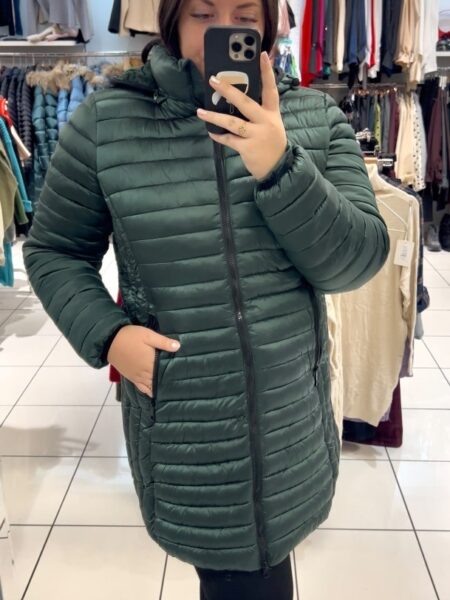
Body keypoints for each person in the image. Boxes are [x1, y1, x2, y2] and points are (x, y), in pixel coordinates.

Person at [23, 1, 390, 598]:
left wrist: (280, 165)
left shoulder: (314, 116)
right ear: (171, 19)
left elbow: (359, 260)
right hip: (186, 430)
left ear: (268, 24)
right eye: (202, 12)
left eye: (245, 15)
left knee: (266, 567)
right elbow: (53, 251)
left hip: (290, 421)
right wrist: (110, 336)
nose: (224, 30)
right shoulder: (106, 123)